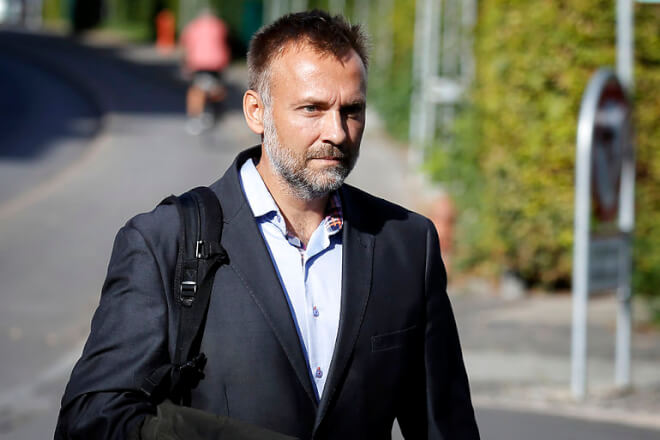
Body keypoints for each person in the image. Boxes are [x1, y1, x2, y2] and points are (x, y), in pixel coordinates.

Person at [55, 10, 480, 440]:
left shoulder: (406, 244)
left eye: (352, 110)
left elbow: (446, 426)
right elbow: (93, 419)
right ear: (257, 112)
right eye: (312, 108)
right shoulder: (164, 241)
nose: (337, 132)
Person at [180, 8, 231, 135]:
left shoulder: (194, 26)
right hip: (217, 63)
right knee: (215, 89)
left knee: (197, 91)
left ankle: (196, 117)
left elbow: (186, 44)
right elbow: (226, 42)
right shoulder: (219, 25)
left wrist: (186, 64)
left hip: (199, 63)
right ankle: (215, 113)